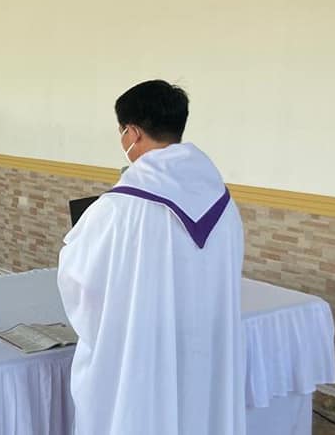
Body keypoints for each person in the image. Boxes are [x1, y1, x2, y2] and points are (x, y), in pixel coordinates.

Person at [57, 80, 244, 435]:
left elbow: (79, 280)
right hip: (205, 348)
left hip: (143, 355)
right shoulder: (223, 202)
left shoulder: (119, 207)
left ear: (133, 132)